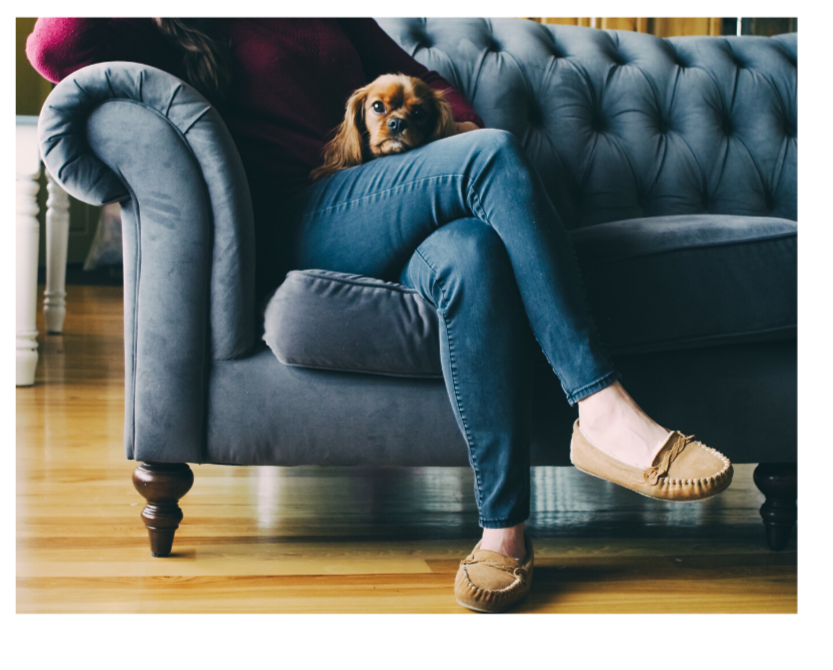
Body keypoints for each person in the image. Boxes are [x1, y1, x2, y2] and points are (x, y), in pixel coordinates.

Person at [27, 18, 733, 613]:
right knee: (489, 155)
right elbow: (54, 46)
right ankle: (601, 408)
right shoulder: (171, 22)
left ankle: (503, 533)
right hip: (297, 213)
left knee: (472, 252)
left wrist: (432, 160)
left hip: (393, 198)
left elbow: (431, 85)